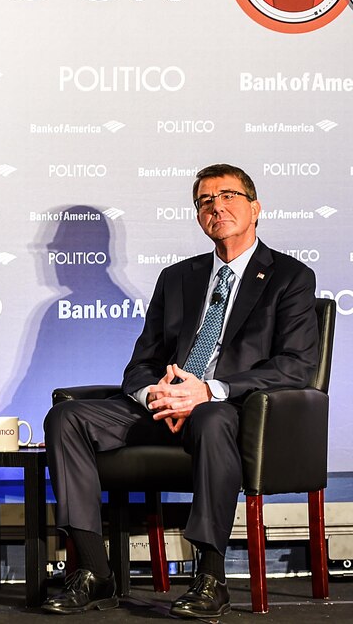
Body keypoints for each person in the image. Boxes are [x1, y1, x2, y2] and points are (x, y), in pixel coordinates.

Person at [42, 163, 319, 619]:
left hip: (229, 411)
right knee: (66, 417)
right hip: (163, 408)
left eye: (228, 196)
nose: (216, 207)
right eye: (205, 201)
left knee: (210, 418)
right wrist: (156, 395)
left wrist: (207, 391)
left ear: (255, 207)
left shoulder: (290, 278)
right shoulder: (178, 278)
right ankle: (95, 572)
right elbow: (141, 363)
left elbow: (296, 366)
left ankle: (210, 578)